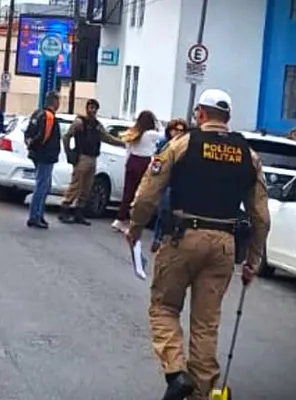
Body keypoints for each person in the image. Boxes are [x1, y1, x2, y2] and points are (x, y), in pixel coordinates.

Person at [124, 89, 271, 400]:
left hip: (182, 237)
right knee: (206, 325)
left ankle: (176, 374)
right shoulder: (248, 155)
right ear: (227, 119)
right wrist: (253, 260)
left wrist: (135, 227)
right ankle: (201, 395)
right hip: (224, 246)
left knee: (164, 307)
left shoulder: (183, 144)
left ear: (200, 114)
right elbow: (261, 216)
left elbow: (149, 190)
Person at [58, 99, 125, 225]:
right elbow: (67, 136)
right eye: (90, 107)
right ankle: (64, 209)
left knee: (87, 187)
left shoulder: (97, 125)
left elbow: (106, 138)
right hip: (82, 156)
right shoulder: (79, 122)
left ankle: (79, 212)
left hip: (93, 157)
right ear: (87, 108)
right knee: (75, 185)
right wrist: (70, 154)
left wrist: (122, 143)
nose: (92, 110)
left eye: (95, 108)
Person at [111, 110, 163, 231]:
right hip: (144, 163)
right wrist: (158, 123)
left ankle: (120, 219)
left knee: (128, 192)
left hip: (132, 161)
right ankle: (133, 220)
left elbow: (128, 149)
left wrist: (127, 163)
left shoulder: (134, 132)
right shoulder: (151, 134)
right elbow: (163, 134)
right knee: (140, 194)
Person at [150, 119, 189, 252]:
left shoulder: (186, 147)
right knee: (164, 211)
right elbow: (156, 163)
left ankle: (170, 238)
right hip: (165, 182)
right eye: (175, 130)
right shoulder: (165, 144)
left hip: (179, 184)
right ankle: (157, 238)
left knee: (175, 214)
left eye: (181, 131)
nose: (178, 133)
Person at [24, 91, 62, 229]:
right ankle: (35, 216)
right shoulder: (49, 117)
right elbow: (43, 136)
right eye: (58, 101)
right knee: (42, 186)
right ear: (55, 102)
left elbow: (28, 133)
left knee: (45, 186)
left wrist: (30, 145)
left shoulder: (37, 114)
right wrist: (37, 146)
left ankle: (39, 214)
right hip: (45, 156)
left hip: (37, 154)